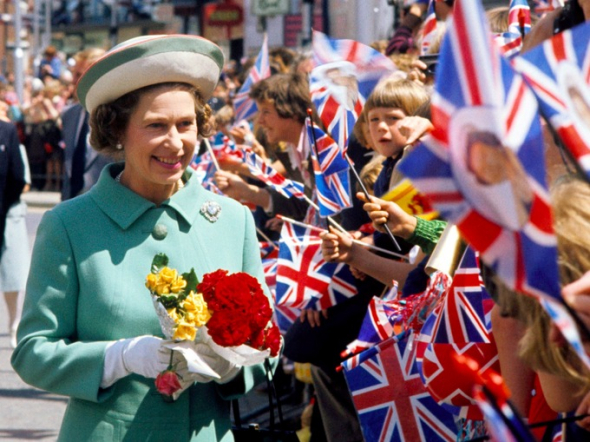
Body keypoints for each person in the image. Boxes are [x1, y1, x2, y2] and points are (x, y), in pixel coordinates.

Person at [11, 34, 277, 441]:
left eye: (186, 124)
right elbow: (33, 353)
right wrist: (118, 358)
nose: (175, 142)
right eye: (156, 125)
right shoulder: (70, 224)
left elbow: (266, 344)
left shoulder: (232, 219)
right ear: (118, 131)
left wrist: (230, 365)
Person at [60, 47, 110, 201]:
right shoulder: (68, 114)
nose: (73, 81)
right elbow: (70, 168)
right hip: (72, 207)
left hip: (107, 208)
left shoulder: (118, 115)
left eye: (78, 75)